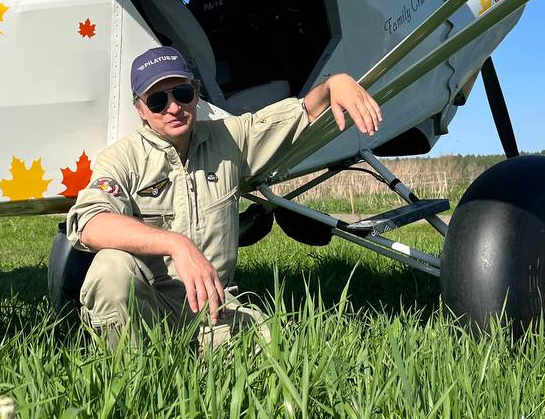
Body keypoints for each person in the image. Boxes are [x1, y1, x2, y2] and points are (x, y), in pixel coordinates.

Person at [65, 46, 382, 350]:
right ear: (140, 109)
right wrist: (177, 244)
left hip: (217, 311)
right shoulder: (122, 158)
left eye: (183, 93)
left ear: (196, 91)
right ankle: (134, 381)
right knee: (110, 268)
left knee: (298, 358)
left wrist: (333, 85)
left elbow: (297, 114)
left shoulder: (229, 138)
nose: (174, 107)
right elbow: (90, 223)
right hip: (152, 310)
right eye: (158, 100)